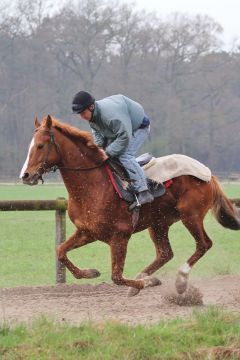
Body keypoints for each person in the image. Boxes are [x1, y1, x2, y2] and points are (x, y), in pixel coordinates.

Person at [72, 91, 154, 206]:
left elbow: (124, 137)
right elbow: (97, 132)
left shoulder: (110, 117)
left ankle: (143, 191)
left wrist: (107, 153)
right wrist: (98, 148)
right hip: (120, 128)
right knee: (107, 154)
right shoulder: (92, 115)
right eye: (79, 114)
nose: (81, 117)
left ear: (91, 107)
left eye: (82, 113)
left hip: (138, 127)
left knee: (124, 156)